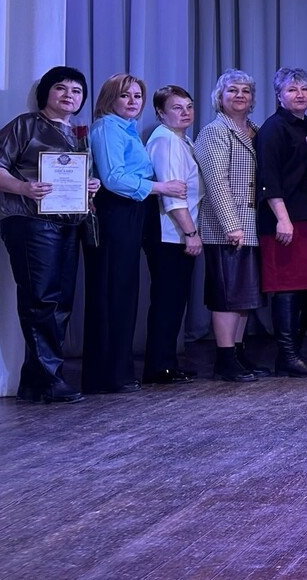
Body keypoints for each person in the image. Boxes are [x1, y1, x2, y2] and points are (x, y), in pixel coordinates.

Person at [0, 66, 102, 403]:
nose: (69, 95)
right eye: (61, 88)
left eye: (76, 91)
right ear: (46, 93)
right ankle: (49, 379)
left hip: (69, 223)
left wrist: (89, 184)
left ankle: (37, 381)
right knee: (41, 300)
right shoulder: (25, 125)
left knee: (60, 302)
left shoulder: (79, 133)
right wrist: (24, 187)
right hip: (30, 221)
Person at [86, 73, 187, 395]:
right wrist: (161, 187)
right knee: (113, 291)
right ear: (109, 99)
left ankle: (119, 370)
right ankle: (109, 374)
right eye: (125, 95)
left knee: (125, 291)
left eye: (137, 96)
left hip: (132, 212)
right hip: (115, 211)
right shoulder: (106, 127)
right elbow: (114, 178)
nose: (132, 101)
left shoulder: (126, 129)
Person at [194, 69, 267, 382]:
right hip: (228, 226)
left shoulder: (255, 130)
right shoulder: (215, 131)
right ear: (219, 98)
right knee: (227, 296)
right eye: (232, 90)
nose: (239, 96)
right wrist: (231, 225)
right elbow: (216, 182)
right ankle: (224, 359)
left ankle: (237, 353)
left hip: (252, 225)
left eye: (245, 91)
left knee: (244, 295)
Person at [255, 66, 307, 377]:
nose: (300, 94)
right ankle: (287, 356)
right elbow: (268, 178)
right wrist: (283, 218)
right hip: (283, 221)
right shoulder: (273, 128)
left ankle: (295, 351)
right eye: (292, 90)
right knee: (287, 288)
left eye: (304, 89)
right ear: (279, 96)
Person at [141, 85, 204, 385]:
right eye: (177, 108)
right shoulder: (165, 141)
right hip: (170, 233)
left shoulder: (182, 139)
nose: (185, 112)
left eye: (189, 106)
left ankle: (166, 362)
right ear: (160, 112)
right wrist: (191, 233)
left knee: (174, 300)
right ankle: (159, 366)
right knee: (167, 300)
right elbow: (173, 194)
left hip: (176, 232)